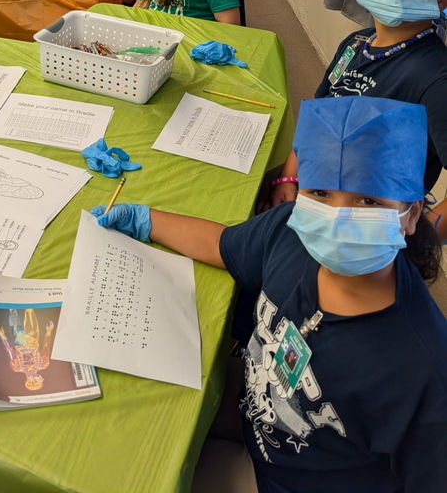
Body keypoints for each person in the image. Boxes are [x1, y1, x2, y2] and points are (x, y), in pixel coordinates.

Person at [93, 97, 446, 493]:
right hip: (253, 407)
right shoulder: (288, 233)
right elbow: (219, 243)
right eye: (322, 193)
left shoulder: (423, 372)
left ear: (411, 214)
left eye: (368, 201)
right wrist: (146, 220)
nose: (337, 218)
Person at [271, 0, 447, 241]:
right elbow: (319, 118)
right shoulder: (357, 43)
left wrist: (420, 232)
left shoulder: (435, 76)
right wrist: (289, 177)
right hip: (320, 199)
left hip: (369, 228)